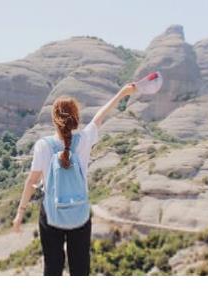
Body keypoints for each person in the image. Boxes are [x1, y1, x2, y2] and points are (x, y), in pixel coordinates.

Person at [12, 83, 136, 275]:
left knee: (52, 267)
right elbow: (100, 117)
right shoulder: (84, 140)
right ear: (76, 119)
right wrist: (122, 94)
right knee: (80, 269)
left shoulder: (43, 145)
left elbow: (31, 182)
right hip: (80, 215)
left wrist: (20, 213)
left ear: (54, 119)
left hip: (52, 216)